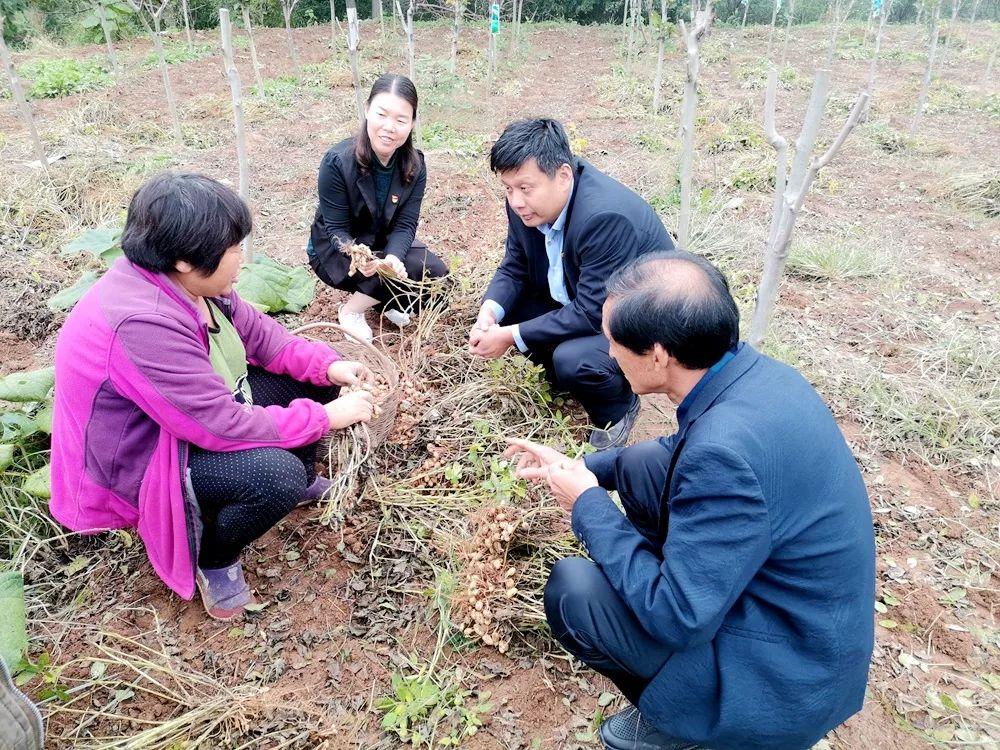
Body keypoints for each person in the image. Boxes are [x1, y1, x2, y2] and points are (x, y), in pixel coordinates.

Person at [507, 251, 875, 750]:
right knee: (639, 464)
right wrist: (577, 469)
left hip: (784, 677)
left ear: (658, 355)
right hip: (806, 628)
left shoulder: (723, 456)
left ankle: (692, 724)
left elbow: (676, 617)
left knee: (576, 590)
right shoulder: (757, 379)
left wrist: (587, 505)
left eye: (613, 342)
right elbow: (676, 450)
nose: (609, 353)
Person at [51, 172, 377, 621]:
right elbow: (220, 425)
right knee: (272, 476)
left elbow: (266, 339)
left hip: (185, 415)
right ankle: (215, 557)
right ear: (185, 259)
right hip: (148, 456)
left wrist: (331, 367)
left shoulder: (193, 285)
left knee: (317, 378)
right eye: (234, 249)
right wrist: (325, 418)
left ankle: (297, 481)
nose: (243, 258)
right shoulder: (143, 322)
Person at [469, 118, 674, 448]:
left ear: (563, 175)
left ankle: (619, 408)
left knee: (574, 360)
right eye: (508, 188)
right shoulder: (526, 206)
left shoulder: (604, 217)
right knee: (508, 312)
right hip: (588, 295)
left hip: (640, 320)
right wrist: (489, 315)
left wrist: (510, 336)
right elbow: (514, 266)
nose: (516, 200)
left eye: (525, 188)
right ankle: (568, 379)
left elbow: (593, 313)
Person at [307, 73, 449, 343]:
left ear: (412, 123)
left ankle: (383, 300)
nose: (389, 127)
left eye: (400, 120)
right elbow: (335, 228)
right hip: (337, 251)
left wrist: (394, 258)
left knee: (437, 278)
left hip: (380, 243)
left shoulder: (414, 165)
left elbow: (406, 224)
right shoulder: (337, 162)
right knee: (383, 271)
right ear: (367, 110)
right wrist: (362, 257)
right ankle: (351, 311)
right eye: (382, 114)